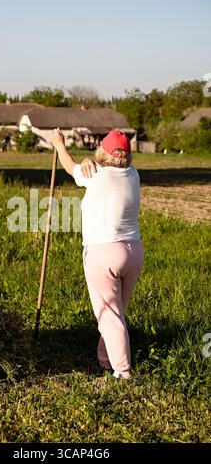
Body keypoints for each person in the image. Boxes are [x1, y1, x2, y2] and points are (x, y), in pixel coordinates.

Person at [51, 128, 144, 380]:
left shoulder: (94, 175)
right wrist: (89, 162)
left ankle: (122, 371)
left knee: (109, 316)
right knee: (117, 313)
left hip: (104, 252)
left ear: (102, 150)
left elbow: (70, 167)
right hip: (134, 251)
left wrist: (59, 144)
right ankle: (105, 358)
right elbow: (104, 166)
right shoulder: (133, 174)